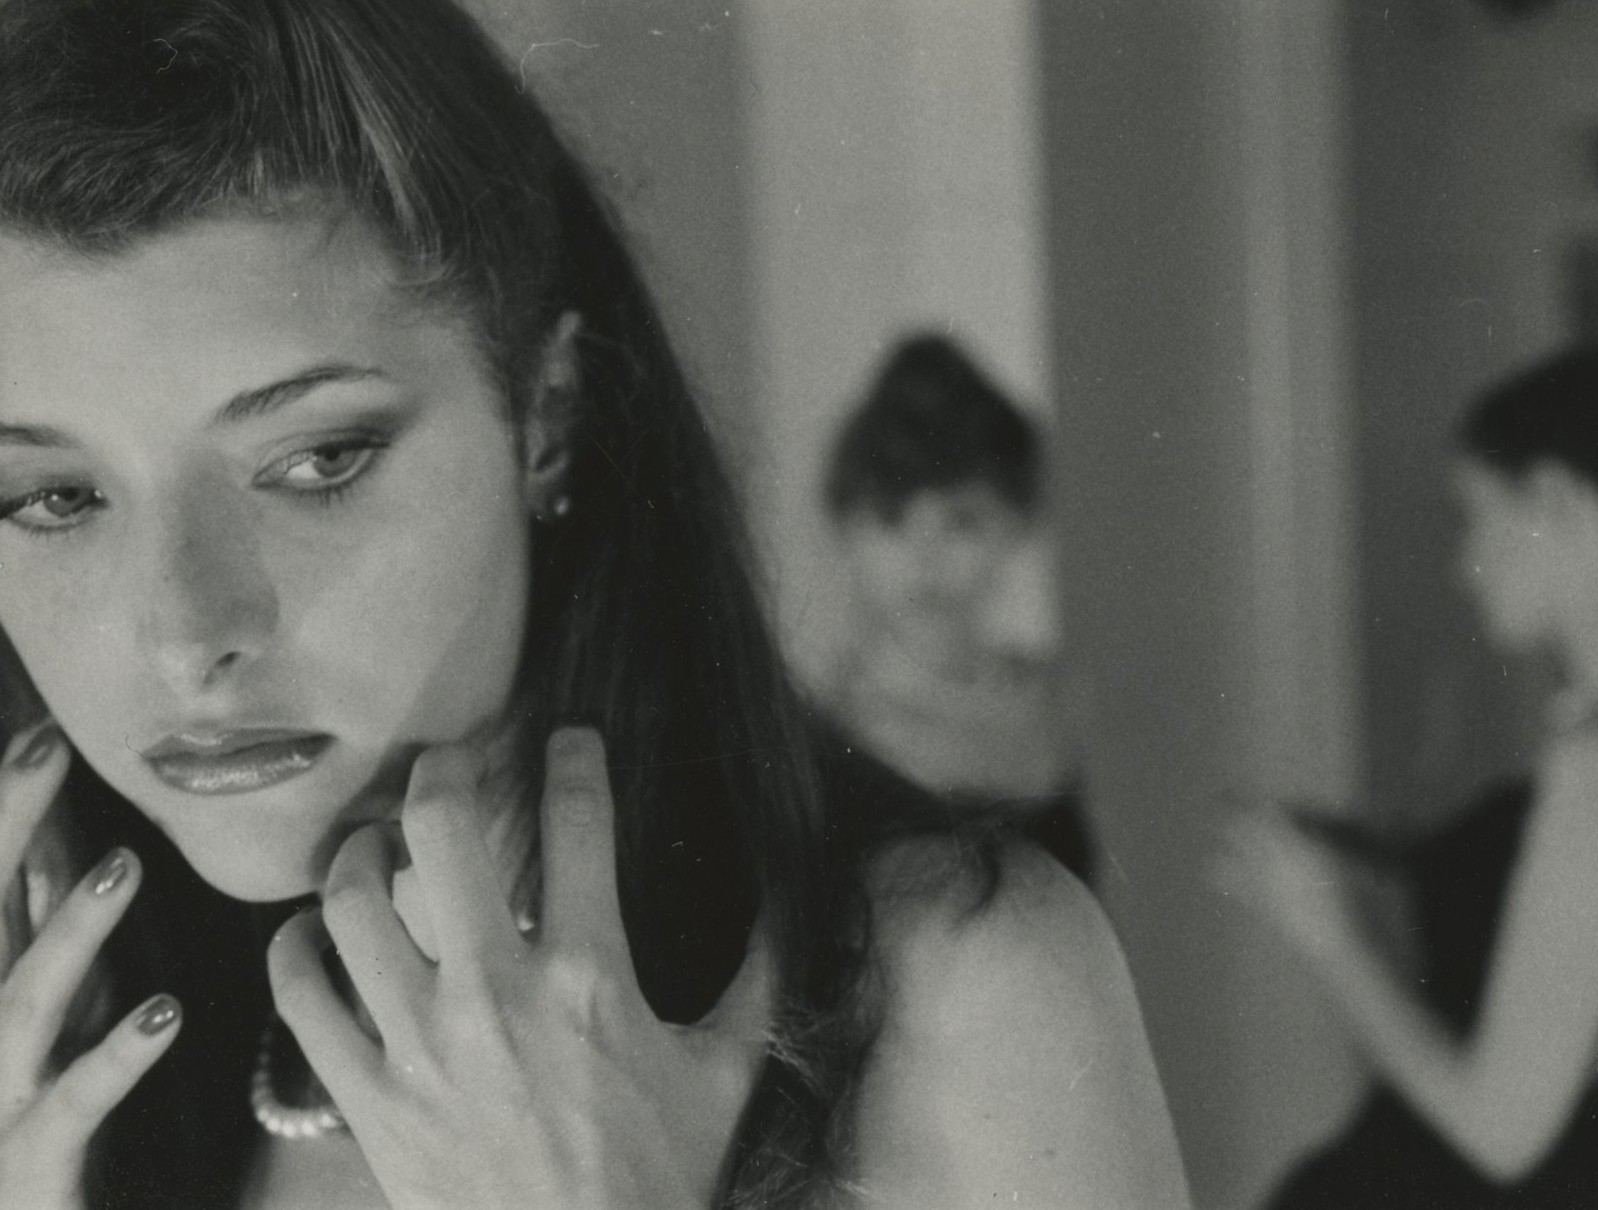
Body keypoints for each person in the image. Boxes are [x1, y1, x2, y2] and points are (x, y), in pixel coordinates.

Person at [0, 2, 1192, 1207]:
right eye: (53, 495)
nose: (188, 635)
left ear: (549, 414)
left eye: (316, 462)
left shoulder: (956, 991)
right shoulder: (82, 1058)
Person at [1239, 348, 1598, 1208]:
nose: (1468, 564)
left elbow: (1500, 1130)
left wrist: (1328, 931)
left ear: (1561, 499)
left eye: (1477, 516)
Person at [820, 335, 1093, 882]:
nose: (926, 559)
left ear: (1019, 524)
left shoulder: (1057, 703)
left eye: (962, 522)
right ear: (846, 530)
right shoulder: (823, 728)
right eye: (891, 521)